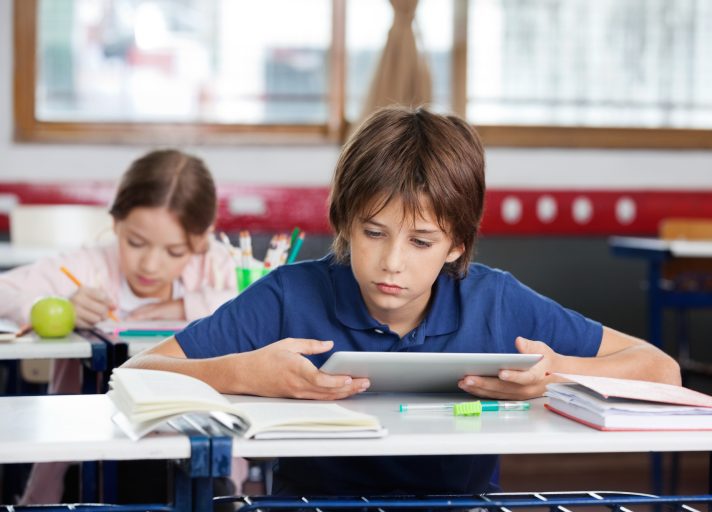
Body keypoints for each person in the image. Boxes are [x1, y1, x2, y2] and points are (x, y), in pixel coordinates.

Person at [123, 107, 681, 496]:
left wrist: (557, 374)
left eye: (421, 242)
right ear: (342, 221)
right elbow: (139, 371)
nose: (393, 261)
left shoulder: (494, 301)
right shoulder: (290, 294)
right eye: (373, 233)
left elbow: (662, 370)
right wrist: (244, 372)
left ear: (456, 243)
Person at [1, 149, 239, 504]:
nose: (150, 264)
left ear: (202, 240)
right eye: (135, 242)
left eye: (174, 252)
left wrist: (183, 305)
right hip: (88, 456)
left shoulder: (215, 266)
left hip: (194, 452)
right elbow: (6, 290)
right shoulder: (90, 265)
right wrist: (55, 306)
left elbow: (252, 306)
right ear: (115, 223)